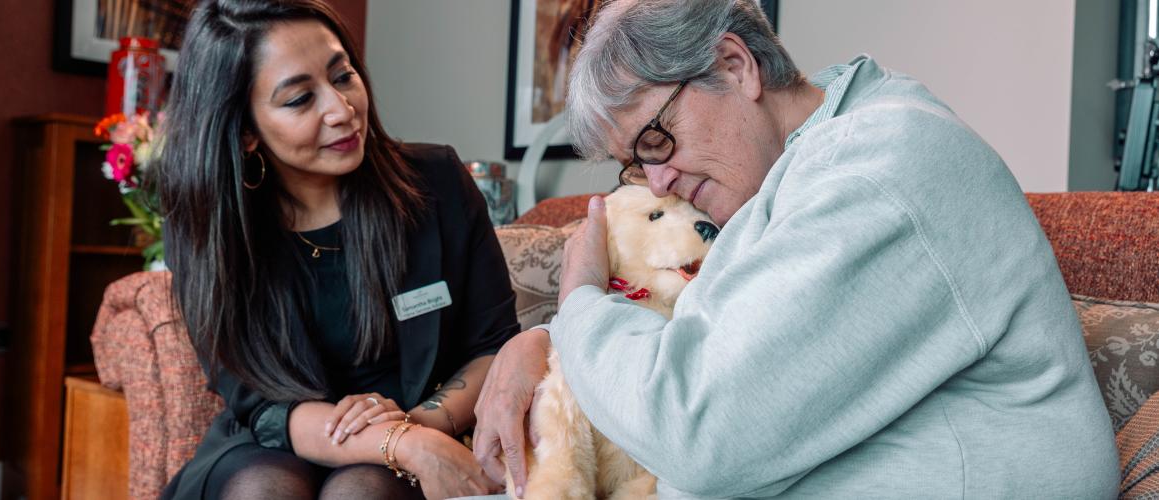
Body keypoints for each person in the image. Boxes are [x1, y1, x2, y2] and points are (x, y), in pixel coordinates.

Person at [473, 0, 1121, 498]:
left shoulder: (878, 165)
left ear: (735, 66)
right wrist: (544, 341)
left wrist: (581, 304)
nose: (660, 181)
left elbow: (697, 428)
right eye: (636, 167)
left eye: (654, 140)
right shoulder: (794, 179)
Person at [156, 0, 515, 498]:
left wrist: (408, 432)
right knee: (264, 490)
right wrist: (401, 443)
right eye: (301, 99)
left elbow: (492, 346)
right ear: (244, 133)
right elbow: (258, 404)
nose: (341, 110)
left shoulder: (437, 184)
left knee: (362, 491)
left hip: (425, 418)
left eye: (342, 76)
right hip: (275, 437)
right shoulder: (209, 227)